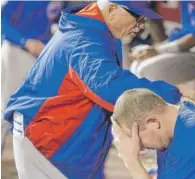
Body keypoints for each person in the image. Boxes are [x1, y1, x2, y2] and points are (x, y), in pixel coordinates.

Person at [3, 1, 183, 178]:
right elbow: (109, 86)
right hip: (48, 140)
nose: (141, 26)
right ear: (112, 9)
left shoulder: (96, 27)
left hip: (61, 138)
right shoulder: (86, 38)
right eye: (137, 17)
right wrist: (171, 97)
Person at [1, 1, 63, 148]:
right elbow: (2, 22)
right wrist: (25, 41)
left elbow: (50, 23)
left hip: (38, 57)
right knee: (6, 110)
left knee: (33, 113)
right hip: (15, 51)